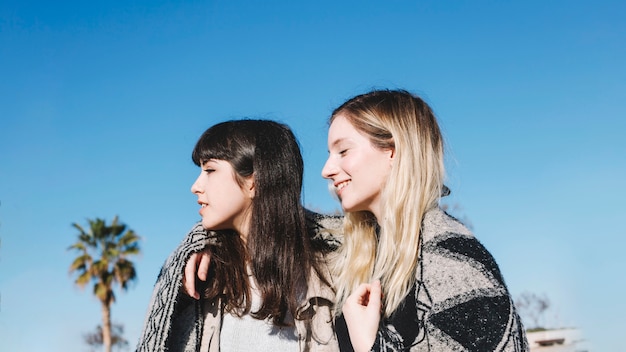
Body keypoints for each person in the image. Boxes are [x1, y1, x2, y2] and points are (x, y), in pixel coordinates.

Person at [322, 89, 528, 351]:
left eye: (343, 151)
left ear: (392, 150)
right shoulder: (366, 256)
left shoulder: (453, 262)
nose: (326, 170)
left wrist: (369, 346)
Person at [135, 119, 341, 352]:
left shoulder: (339, 267)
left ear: (255, 180)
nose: (195, 186)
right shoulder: (203, 275)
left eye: (210, 170)